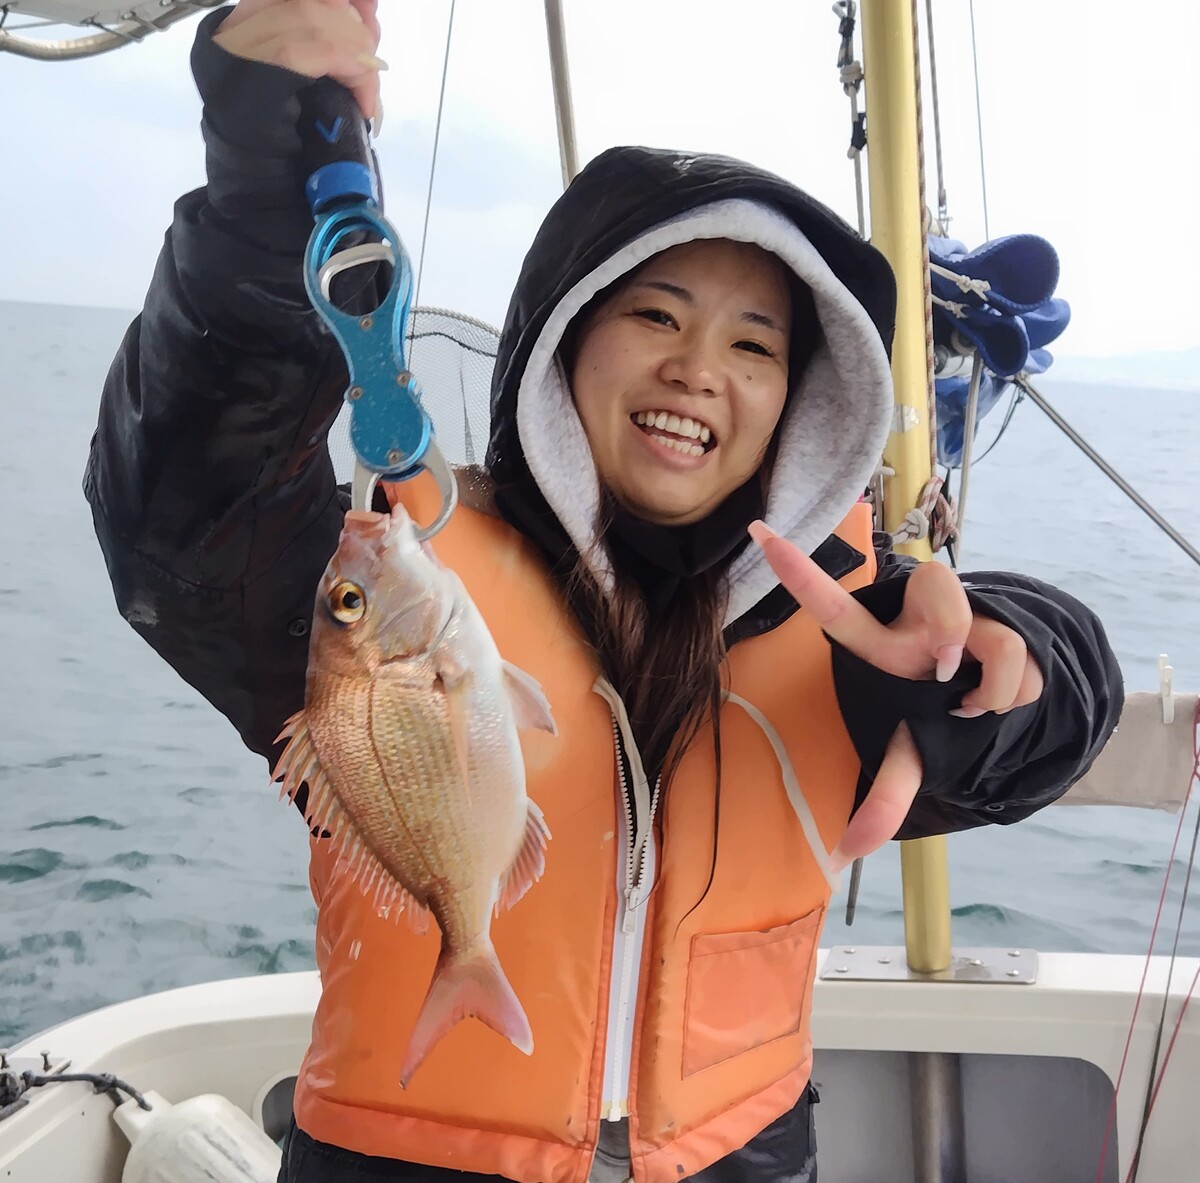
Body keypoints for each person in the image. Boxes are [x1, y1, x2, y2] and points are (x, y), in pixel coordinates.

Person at [84, 2, 1123, 1181]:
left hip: (743, 1155)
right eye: (654, 314)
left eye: (754, 346)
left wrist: (1007, 666)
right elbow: (185, 511)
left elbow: (1057, 721)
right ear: (564, 339)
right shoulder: (390, 571)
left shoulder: (854, 630)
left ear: (806, 406)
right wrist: (269, 179)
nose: (696, 369)